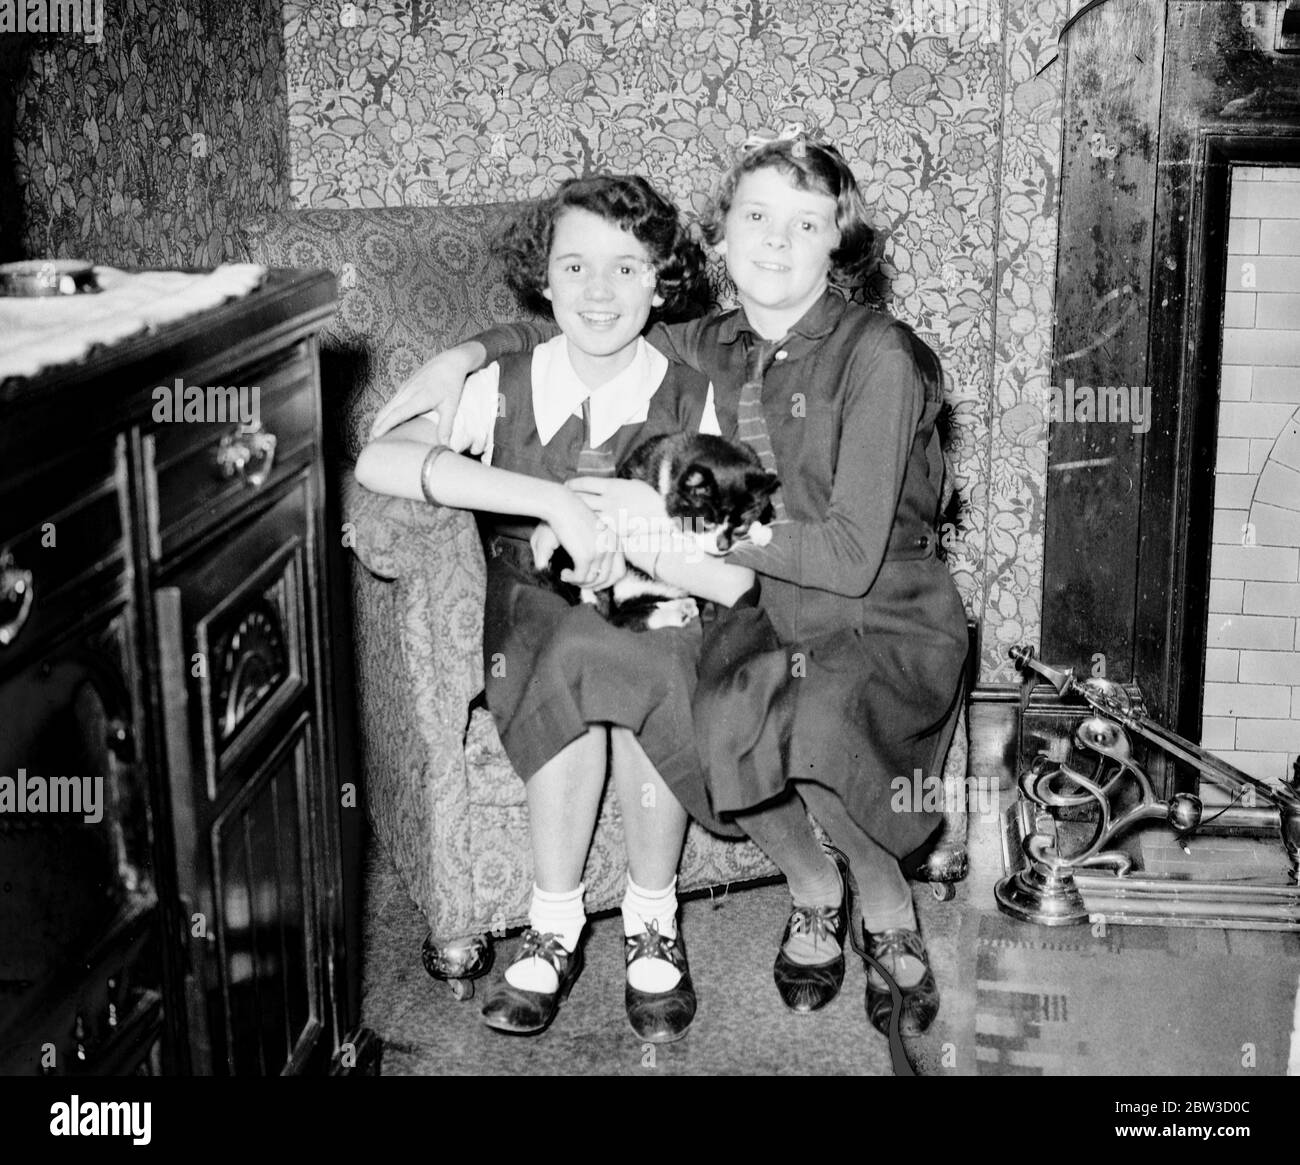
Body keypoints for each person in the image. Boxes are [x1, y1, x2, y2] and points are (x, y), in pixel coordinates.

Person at [374, 135, 969, 1037]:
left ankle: (885, 903)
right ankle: (811, 888)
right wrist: (466, 352)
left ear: (838, 244)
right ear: (719, 239)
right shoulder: (706, 342)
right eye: (755, 217)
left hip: (877, 604)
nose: (776, 241)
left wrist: (663, 522)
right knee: (710, 710)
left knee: (814, 718)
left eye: (805, 224)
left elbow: (849, 555)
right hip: (754, 597)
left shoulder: (877, 352)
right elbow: (585, 314)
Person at [355, 174, 756, 1044]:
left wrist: (646, 532)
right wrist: (553, 505)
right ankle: (556, 918)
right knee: (571, 651)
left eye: (625, 267)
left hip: (654, 597)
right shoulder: (502, 380)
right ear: (544, 279)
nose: (599, 291)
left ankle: (654, 917)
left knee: (659, 656)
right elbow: (381, 463)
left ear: (661, 280)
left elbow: (717, 536)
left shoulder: (690, 392)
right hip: (535, 603)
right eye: (575, 266)